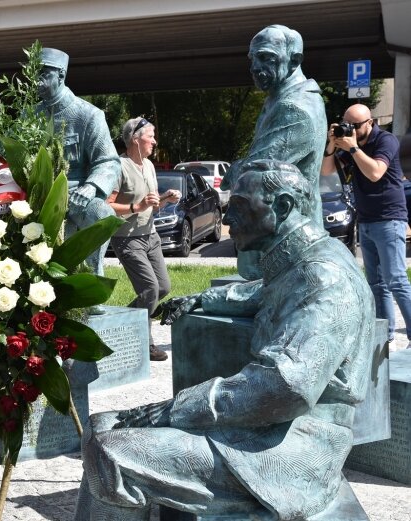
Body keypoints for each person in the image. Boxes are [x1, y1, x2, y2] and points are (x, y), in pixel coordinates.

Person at [76, 160, 374, 520]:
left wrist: (174, 409)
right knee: (101, 426)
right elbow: (265, 292)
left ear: (282, 207)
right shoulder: (302, 263)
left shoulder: (322, 277)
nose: (228, 219)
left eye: (241, 206)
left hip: (296, 446)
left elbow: (286, 387)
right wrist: (203, 298)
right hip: (268, 428)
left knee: (113, 455)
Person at [221, 24, 327, 280]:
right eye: (253, 58)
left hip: (284, 251)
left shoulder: (296, 108)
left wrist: (237, 169)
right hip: (274, 247)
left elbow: (251, 178)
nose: (255, 67)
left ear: (294, 60)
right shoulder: (278, 99)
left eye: (267, 58)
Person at [322, 103, 411, 348]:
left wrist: (353, 149)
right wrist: (332, 144)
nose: (351, 129)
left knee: (396, 279)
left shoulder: (386, 140)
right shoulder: (350, 143)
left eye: (356, 125)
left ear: (370, 122)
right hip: (367, 220)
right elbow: (326, 171)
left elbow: (375, 173)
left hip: (389, 218)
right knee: (376, 283)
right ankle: (385, 335)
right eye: (346, 123)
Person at [37, 47, 120, 282]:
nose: (37, 81)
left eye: (44, 74)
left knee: (103, 215)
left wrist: (91, 186)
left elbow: (108, 161)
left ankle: (91, 277)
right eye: (34, 74)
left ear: (61, 75)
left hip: (76, 195)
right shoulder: (28, 116)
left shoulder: (88, 115)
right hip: (38, 197)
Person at [107, 117, 180, 362]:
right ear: (136, 139)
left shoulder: (148, 165)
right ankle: (145, 343)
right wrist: (136, 206)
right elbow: (107, 206)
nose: (155, 141)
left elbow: (151, 206)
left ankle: (124, 320)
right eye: (151, 136)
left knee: (163, 287)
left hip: (151, 235)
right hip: (127, 239)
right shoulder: (119, 166)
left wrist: (165, 199)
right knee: (149, 289)